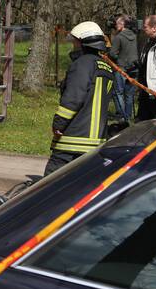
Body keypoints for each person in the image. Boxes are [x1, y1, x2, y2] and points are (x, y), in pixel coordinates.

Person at [44, 21, 114, 176]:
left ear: (83, 43)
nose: (73, 45)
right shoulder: (106, 67)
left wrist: (58, 124)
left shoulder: (82, 64)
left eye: (75, 42)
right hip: (96, 142)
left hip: (72, 141)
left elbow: (73, 99)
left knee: (50, 187)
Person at [108, 14, 138, 121]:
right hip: (134, 69)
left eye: (116, 24)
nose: (115, 26)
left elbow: (112, 54)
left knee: (118, 93)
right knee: (129, 95)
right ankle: (128, 116)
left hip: (121, 68)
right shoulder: (135, 36)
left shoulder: (119, 37)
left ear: (121, 24)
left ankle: (122, 116)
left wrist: (118, 59)